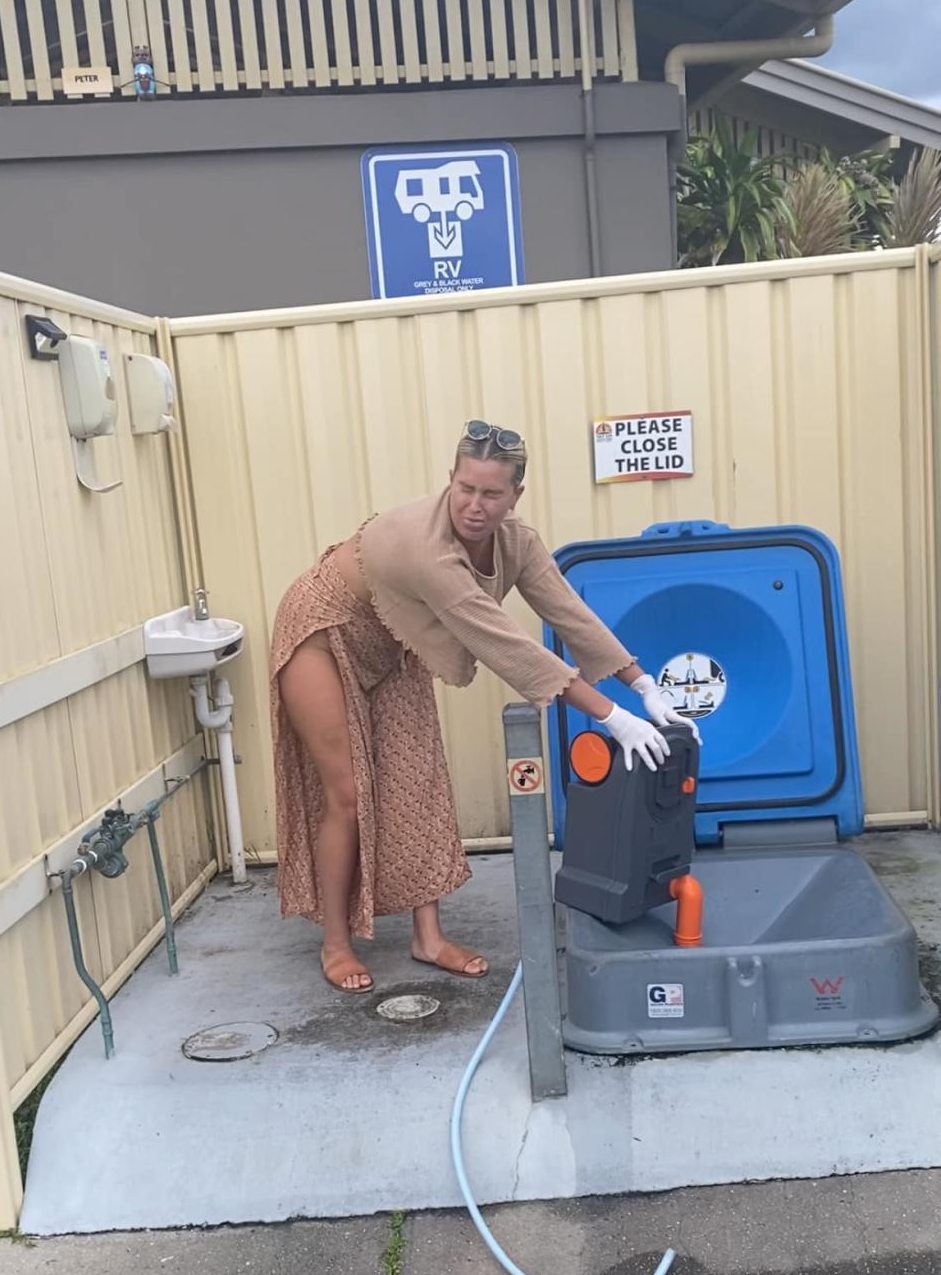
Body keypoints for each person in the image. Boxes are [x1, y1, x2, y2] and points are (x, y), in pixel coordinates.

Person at [270, 420, 699, 993]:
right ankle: (335, 943)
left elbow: (568, 613)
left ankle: (428, 936)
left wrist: (643, 685)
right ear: (450, 480)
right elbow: (508, 646)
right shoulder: (429, 551)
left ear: (515, 495)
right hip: (324, 632)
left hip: (396, 640)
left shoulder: (517, 541)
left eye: (491, 493)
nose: (474, 505)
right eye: (465, 489)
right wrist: (611, 716)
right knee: (346, 792)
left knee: (417, 782)